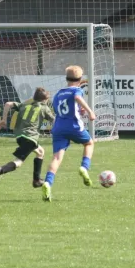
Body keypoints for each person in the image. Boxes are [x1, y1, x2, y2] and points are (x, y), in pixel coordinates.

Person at [41, 65, 96, 202]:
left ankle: (47, 182)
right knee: (89, 143)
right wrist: (89, 111)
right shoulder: (77, 90)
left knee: (57, 158)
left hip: (58, 128)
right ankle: (84, 167)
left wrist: (77, 109)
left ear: (66, 78)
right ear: (80, 79)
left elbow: (57, 109)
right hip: (73, 126)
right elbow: (77, 98)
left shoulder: (59, 93)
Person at [0, 87, 55, 188]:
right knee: (18, 162)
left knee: (40, 152)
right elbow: (54, 121)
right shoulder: (44, 108)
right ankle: (1, 169)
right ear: (44, 100)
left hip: (19, 136)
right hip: (31, 137)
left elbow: (8, 104)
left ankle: (36, 180)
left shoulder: (24, 105)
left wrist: (4, 119)